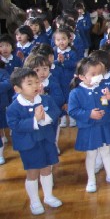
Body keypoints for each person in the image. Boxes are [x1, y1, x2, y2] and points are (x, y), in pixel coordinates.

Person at [7, 67, 62, 215]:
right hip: (29, 145)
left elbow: (55, 112)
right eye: (29, 83)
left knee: (47, 169)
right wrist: (35, 120)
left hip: (46, 140)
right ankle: (34, 201)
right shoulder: (14, 107)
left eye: (37, 82)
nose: (35, 86)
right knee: (32, 173)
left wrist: (45, 117)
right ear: (18, 89)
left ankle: (48, 196)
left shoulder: (46, 99)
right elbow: (15, 125)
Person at [67, 58, 110, 193]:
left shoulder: (102, 88)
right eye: (93, 74)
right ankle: (91, 180)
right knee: (91, 155)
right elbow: (72, 111)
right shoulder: (76, 93)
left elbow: (109, 105)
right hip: (90, 129)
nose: (97, 76)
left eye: (99, 73)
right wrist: (89, 114)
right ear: (82, 77)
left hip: (104, 126)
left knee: (106, 152)